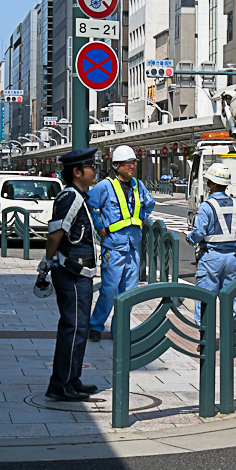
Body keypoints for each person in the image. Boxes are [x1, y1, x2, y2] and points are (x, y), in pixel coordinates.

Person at [40, 148, 99, 401]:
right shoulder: (70, 197)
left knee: (79, 327)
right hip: (71, 272)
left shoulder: (79, 196)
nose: (94, 170)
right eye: (91, 166)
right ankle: (60, 384)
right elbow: (55, 234)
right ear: (77, 172)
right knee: (73, 327)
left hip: (80, 271)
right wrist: (48, 261)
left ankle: (72, 379)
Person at [87, 144, 155, 342]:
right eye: (127, 163)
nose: (131, 166)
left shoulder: (138, 185)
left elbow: (149, 203)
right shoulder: (105, 186)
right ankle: (96, 326)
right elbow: (89, 205)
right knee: (109, 290)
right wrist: (100, 226)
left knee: (129, 293)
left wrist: (140, 218)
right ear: (116, 165)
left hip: (133, 247)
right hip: (114, 247)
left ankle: (120, 329)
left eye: (133, 162)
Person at [186, 164, 236, 324]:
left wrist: (189, 238)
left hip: (211, 257)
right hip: (231, 259)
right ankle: (234, 335)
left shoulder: (207, 206)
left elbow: (199, 233)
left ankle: (206, 338)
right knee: (231, 299)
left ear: (211, 184)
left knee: (205, 299)